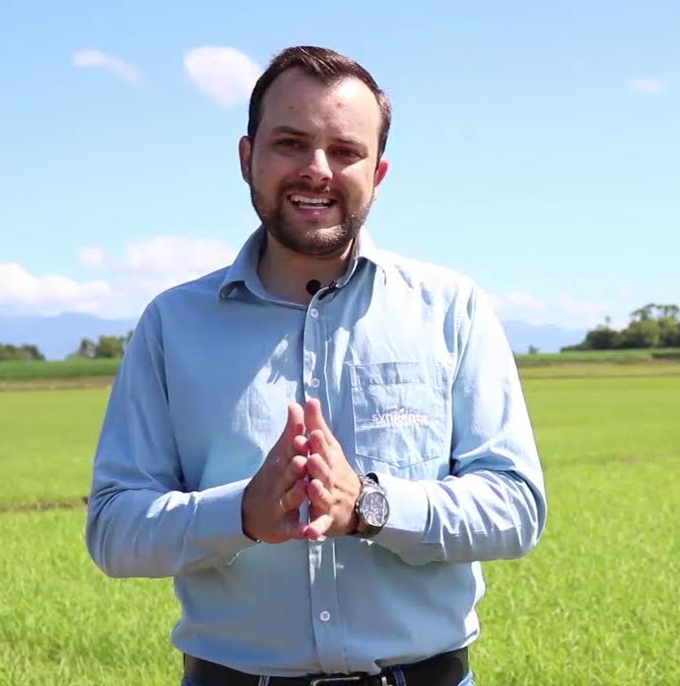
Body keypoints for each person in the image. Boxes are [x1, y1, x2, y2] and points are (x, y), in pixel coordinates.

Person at [85, 45, 547, 686]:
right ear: (248, 158)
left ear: (378, 173)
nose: (317, 170)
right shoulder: (173, 324)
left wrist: (372, 506)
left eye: (346, 151)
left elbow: (517, 506)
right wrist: (242, 515)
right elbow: (113, 528)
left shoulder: (451, 310)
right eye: (290, 144)